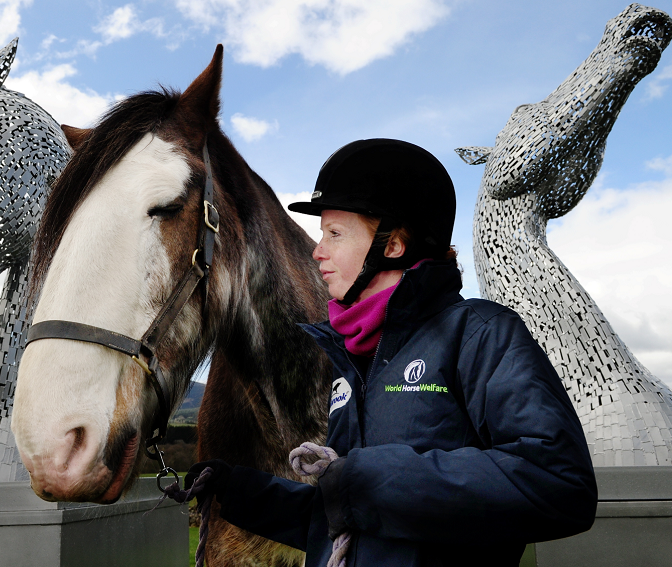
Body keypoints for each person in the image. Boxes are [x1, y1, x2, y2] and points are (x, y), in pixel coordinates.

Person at [186, 139, 597, 566]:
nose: (318, 251)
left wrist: (368, 480)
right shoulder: (353, 357)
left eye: (335, 234)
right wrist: (240, 493)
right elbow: (349, 518)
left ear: (394, 244)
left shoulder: (482, 335)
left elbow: (560, 485)